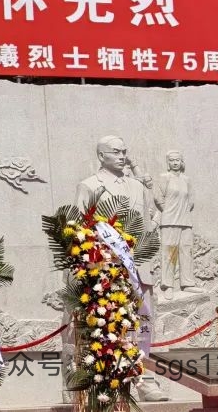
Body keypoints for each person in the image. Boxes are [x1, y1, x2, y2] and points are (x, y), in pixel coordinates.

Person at [74, 135, 167, 402]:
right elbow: (80, 229)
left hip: (140, 268)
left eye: (124, 151)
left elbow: (147, 226)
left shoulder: (138, 187)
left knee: (144, 323)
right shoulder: (90, 186)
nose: (122, 156)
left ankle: (145, 380)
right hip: (107, 269)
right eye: (116, 152)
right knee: (111, 326)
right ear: (101, 156)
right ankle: (111, 380)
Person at [153, 151, 202, 299]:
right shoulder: (164, 178)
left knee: (187, 251)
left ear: (182, 162)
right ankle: (167, 285)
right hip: (169, 220)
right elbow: (158, 198)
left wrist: (183, 211)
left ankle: (187, 283)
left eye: (178, 160)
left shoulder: (187, 180)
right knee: (170, 252)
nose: (175, 163)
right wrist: (169, 211)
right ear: (168, 163)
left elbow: (191, 200)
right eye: (172, 160)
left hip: (185, 221)